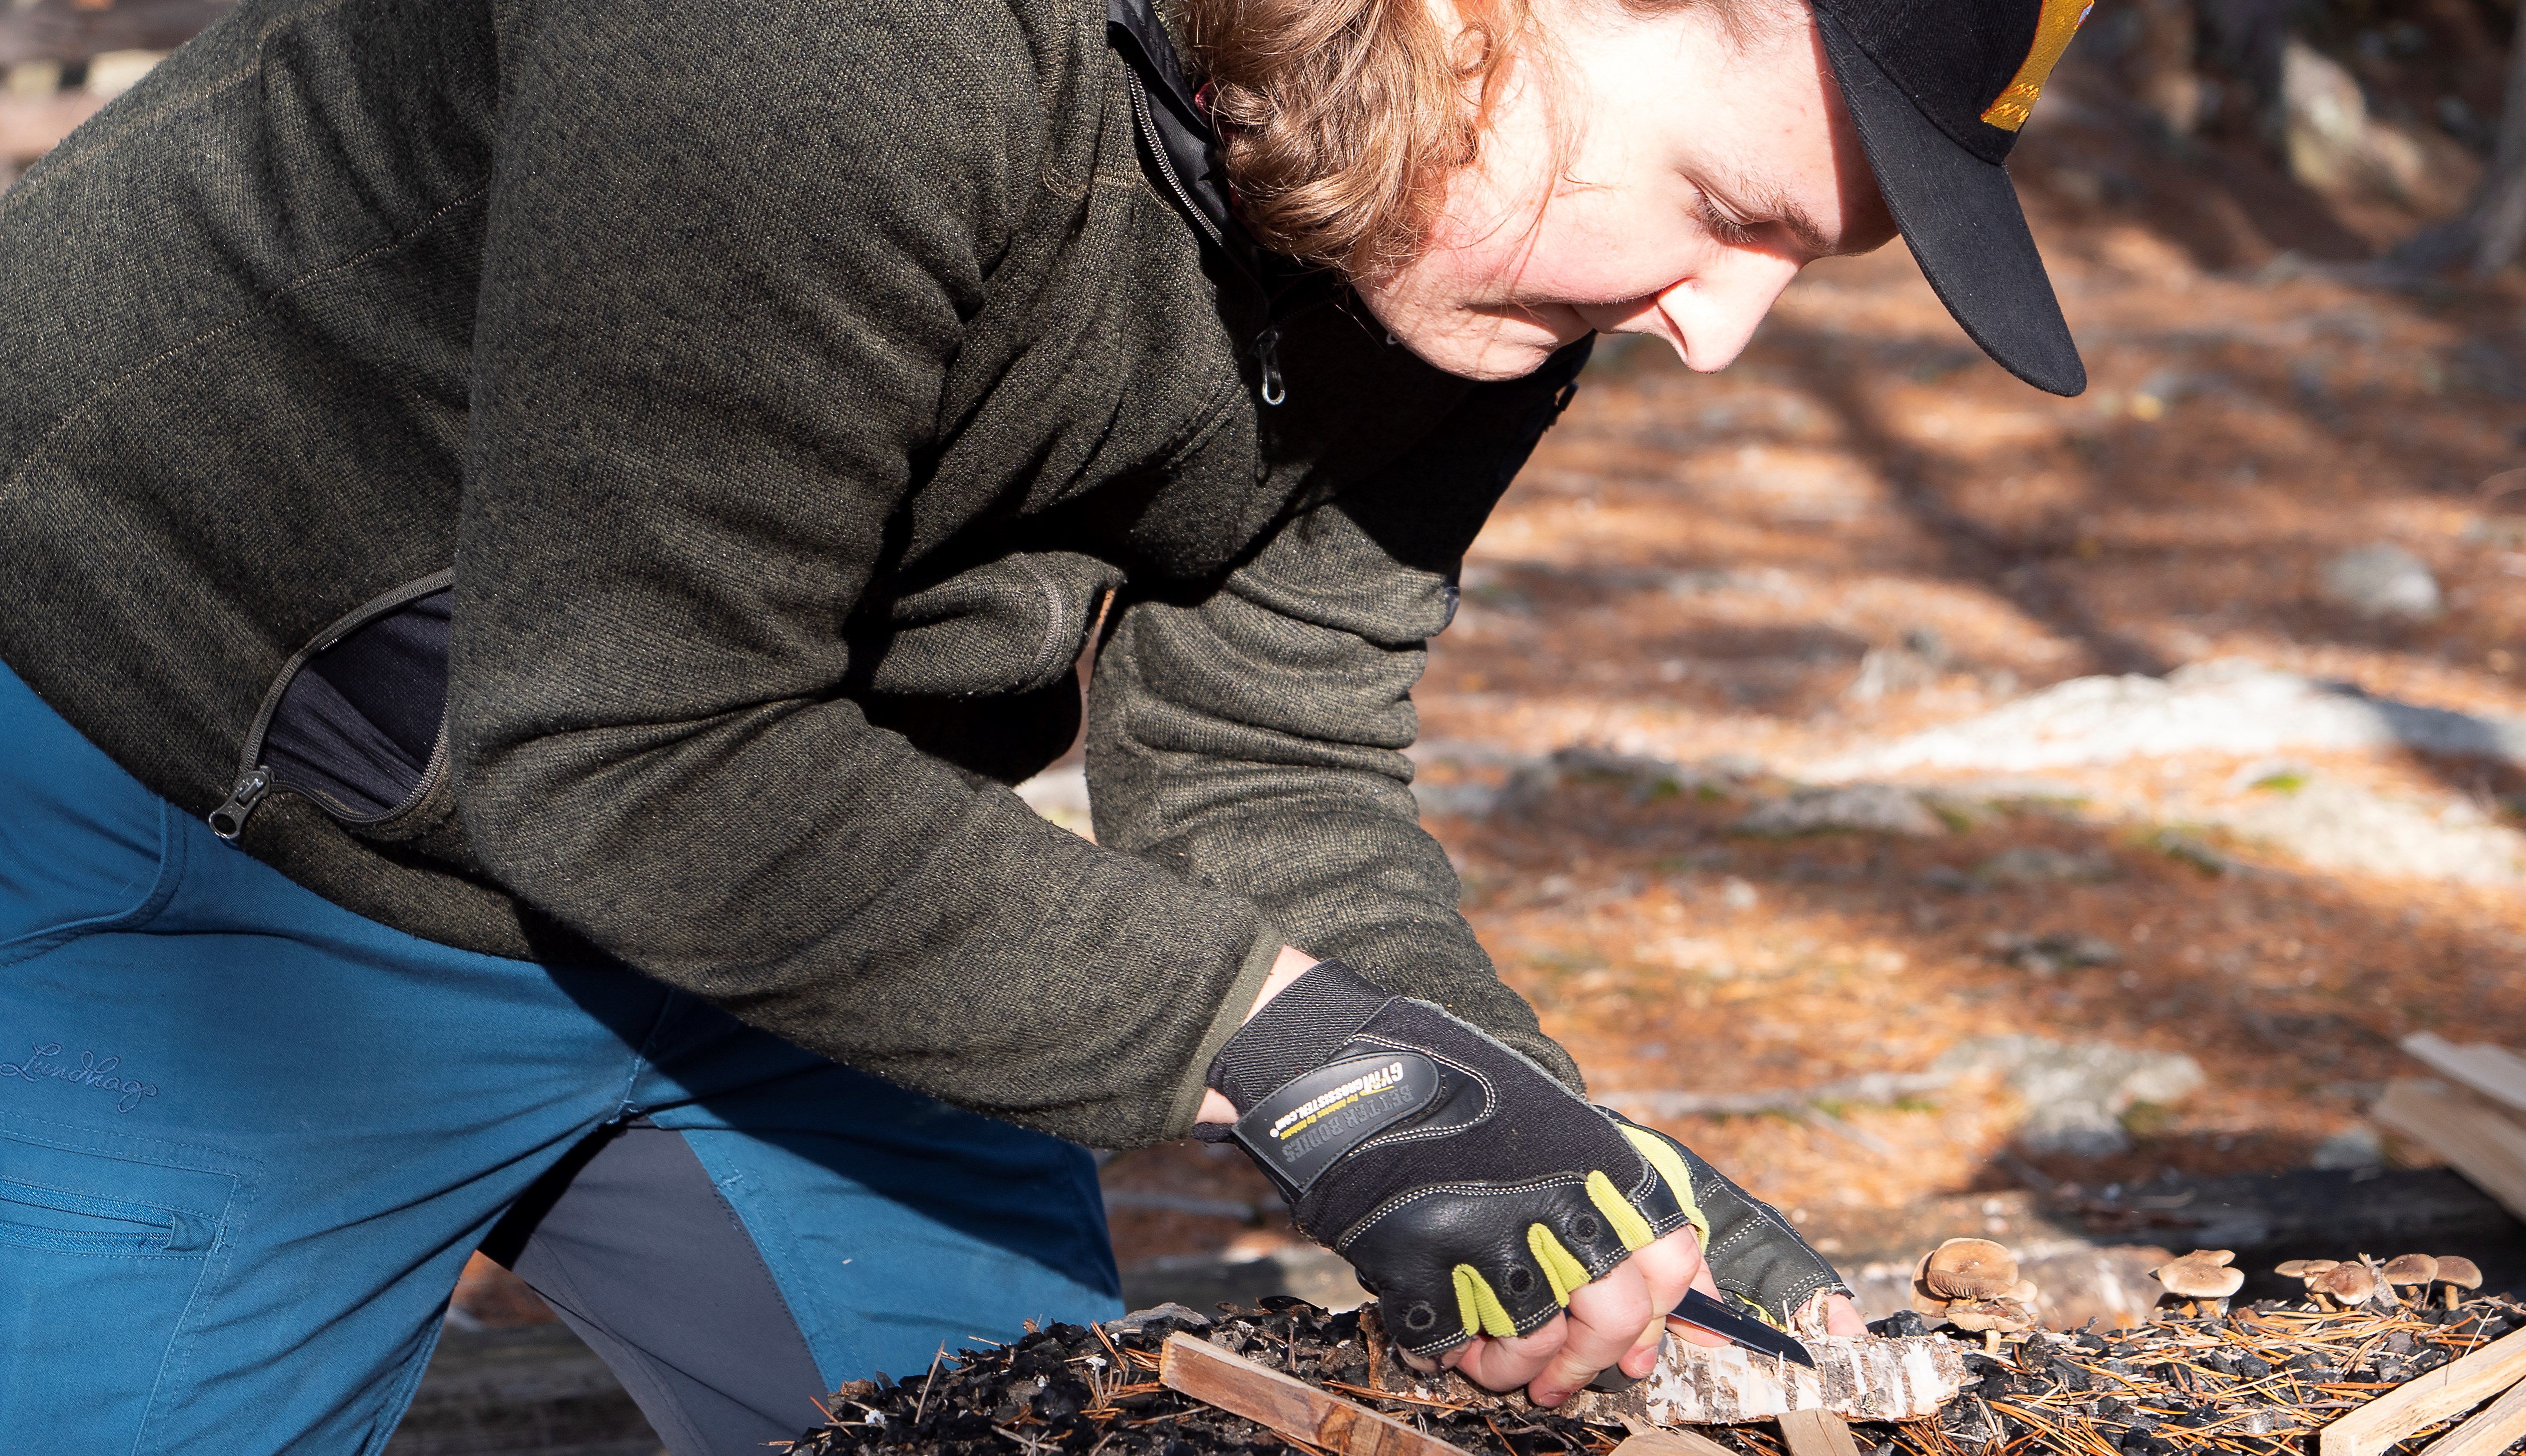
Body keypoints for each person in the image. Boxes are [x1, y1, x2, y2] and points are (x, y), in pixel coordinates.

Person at [0, 0, 2087, 1445]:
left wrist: (1571, 1177)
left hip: (812, 859)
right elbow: (629, 747)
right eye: (1728, 214)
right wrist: (1276, 1037)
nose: (1717, 335)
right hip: (187, 816)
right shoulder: (835, 50)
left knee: (1049, 1432)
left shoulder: (1491, 202)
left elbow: (1268, 761)